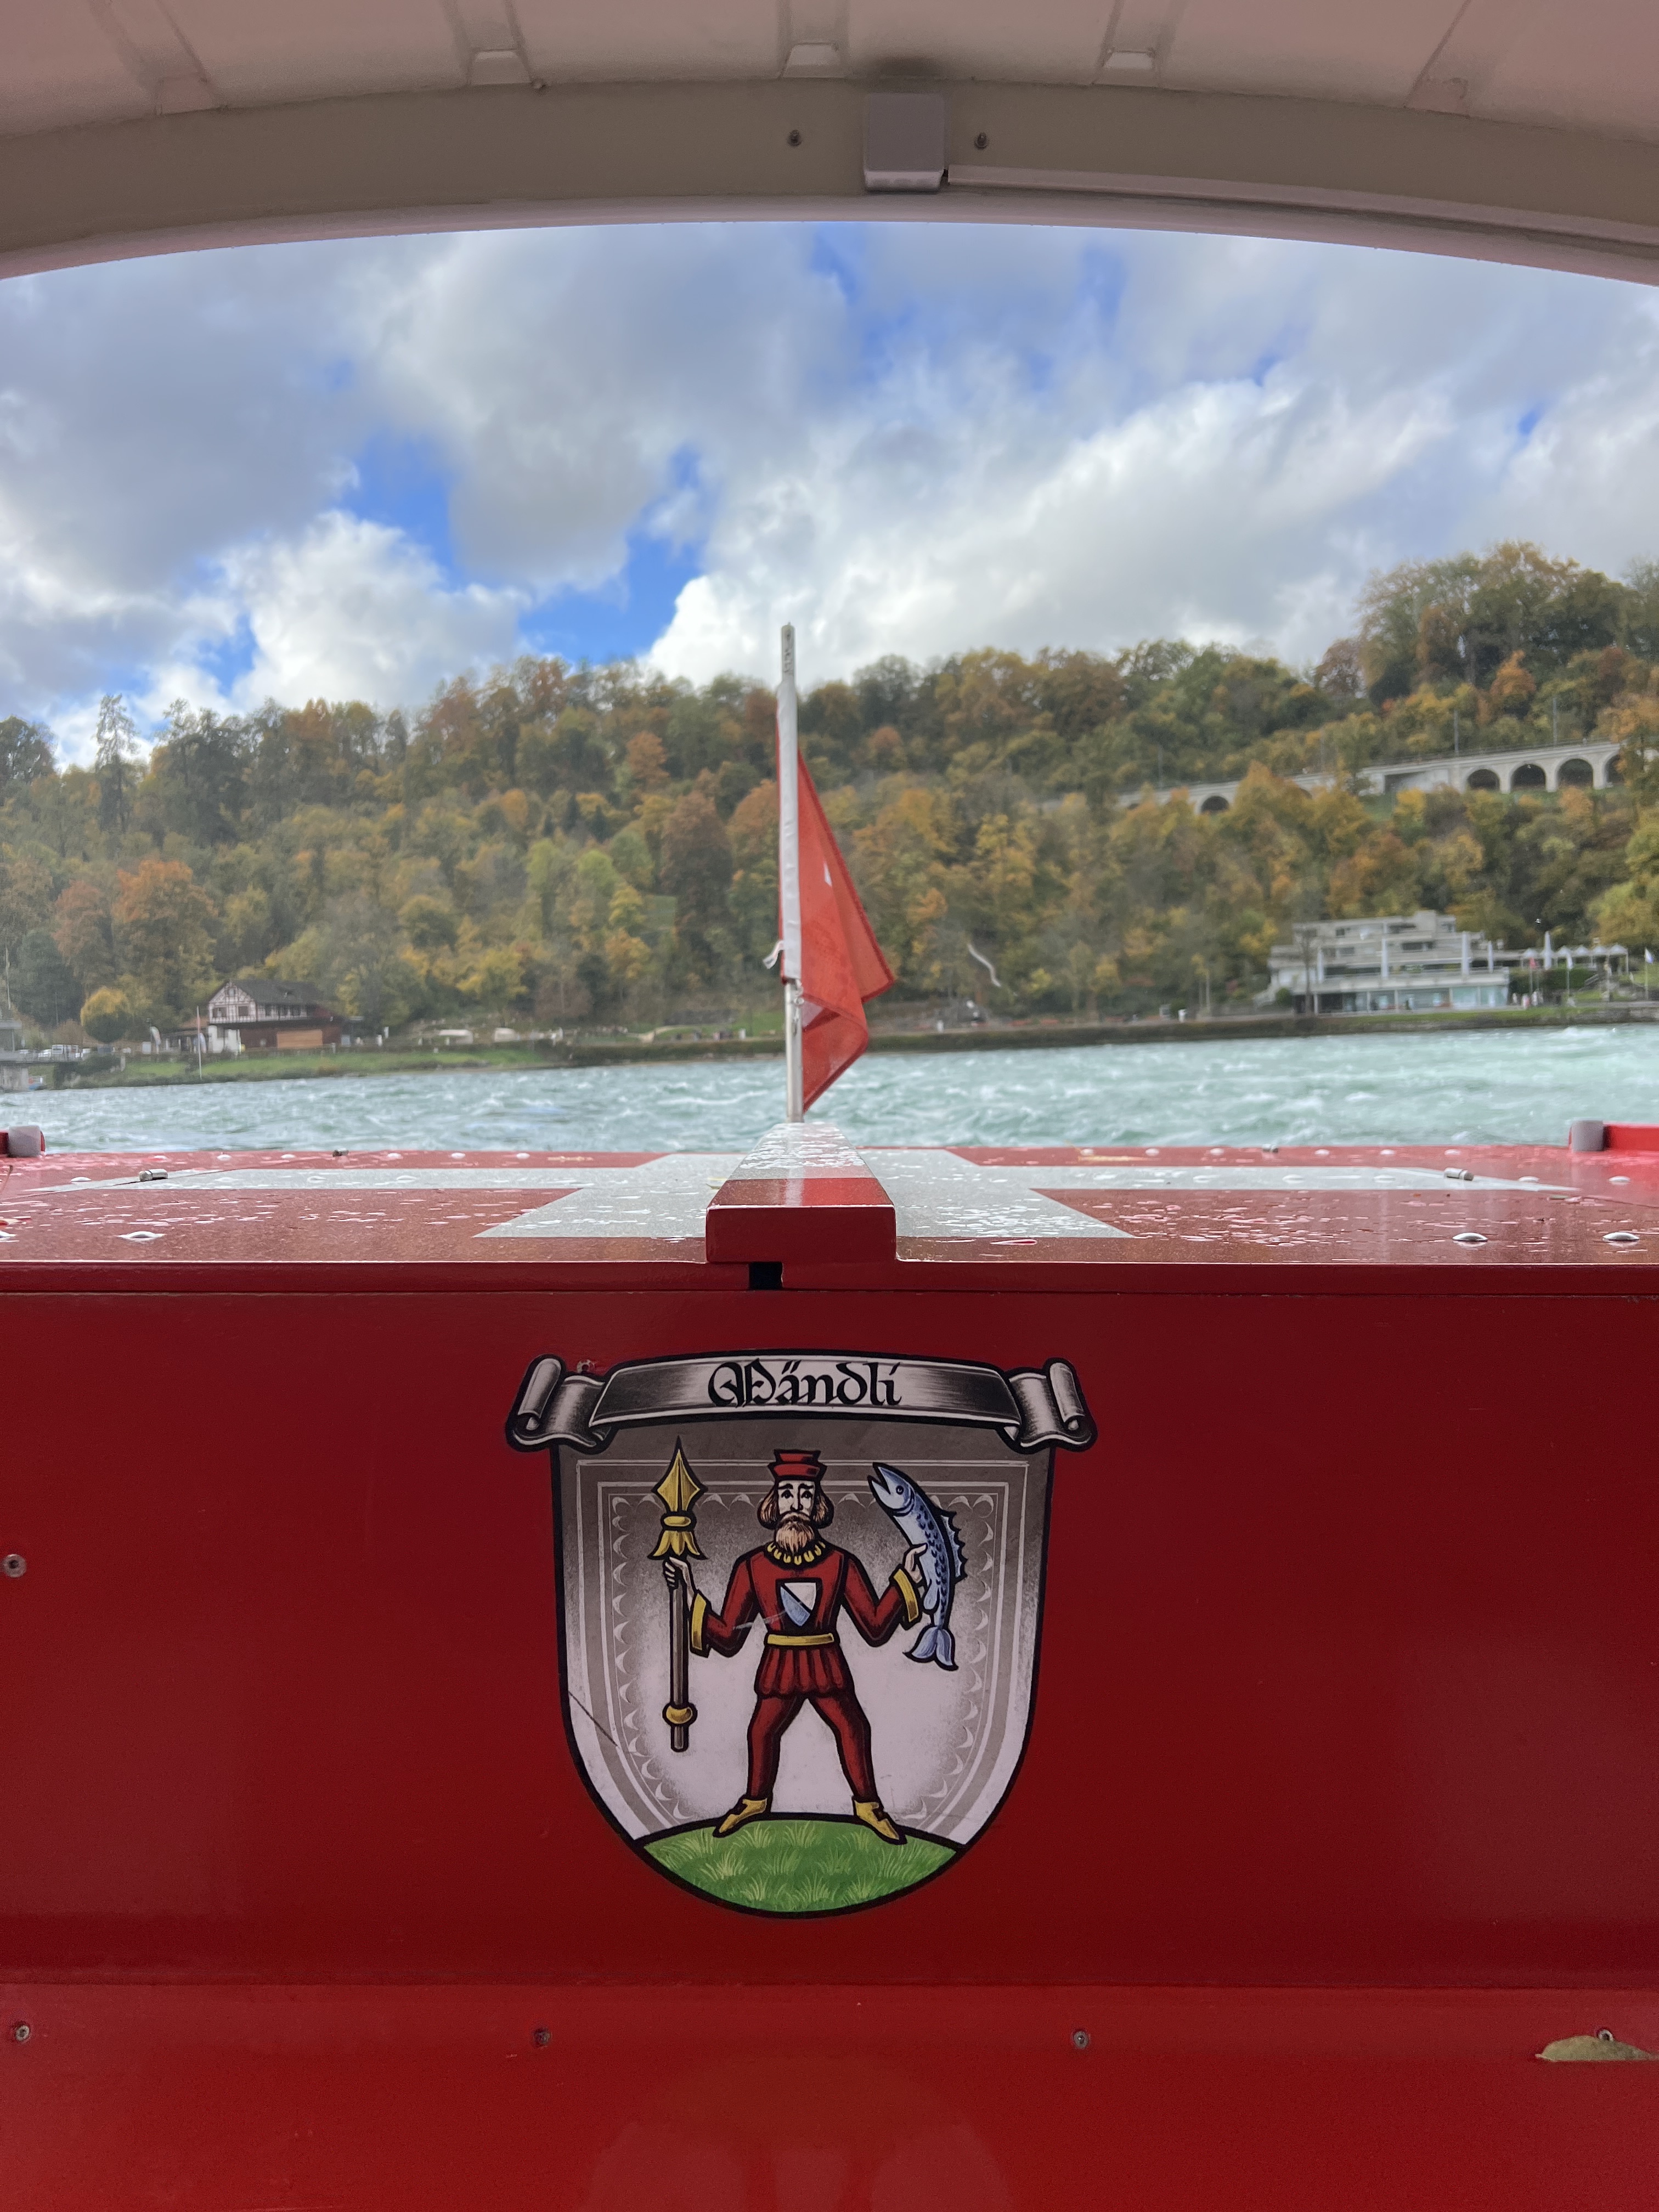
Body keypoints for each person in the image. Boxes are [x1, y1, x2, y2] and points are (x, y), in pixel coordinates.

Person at [663, 1447, 924, 1844]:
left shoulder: (840, 1563)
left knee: (853, 1728)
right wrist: (688, 1593)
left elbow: (874, 1626)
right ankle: (755, 1802)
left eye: (805, 1494)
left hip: (826, 1664)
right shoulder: (752, 1566)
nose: (796, 1504)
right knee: (761, 1732)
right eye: (788, 1494)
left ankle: (869, 1807)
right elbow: (729, 1635)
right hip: (779, 1667)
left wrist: (905, 1580)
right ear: (774, 1502)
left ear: (818, 1504)